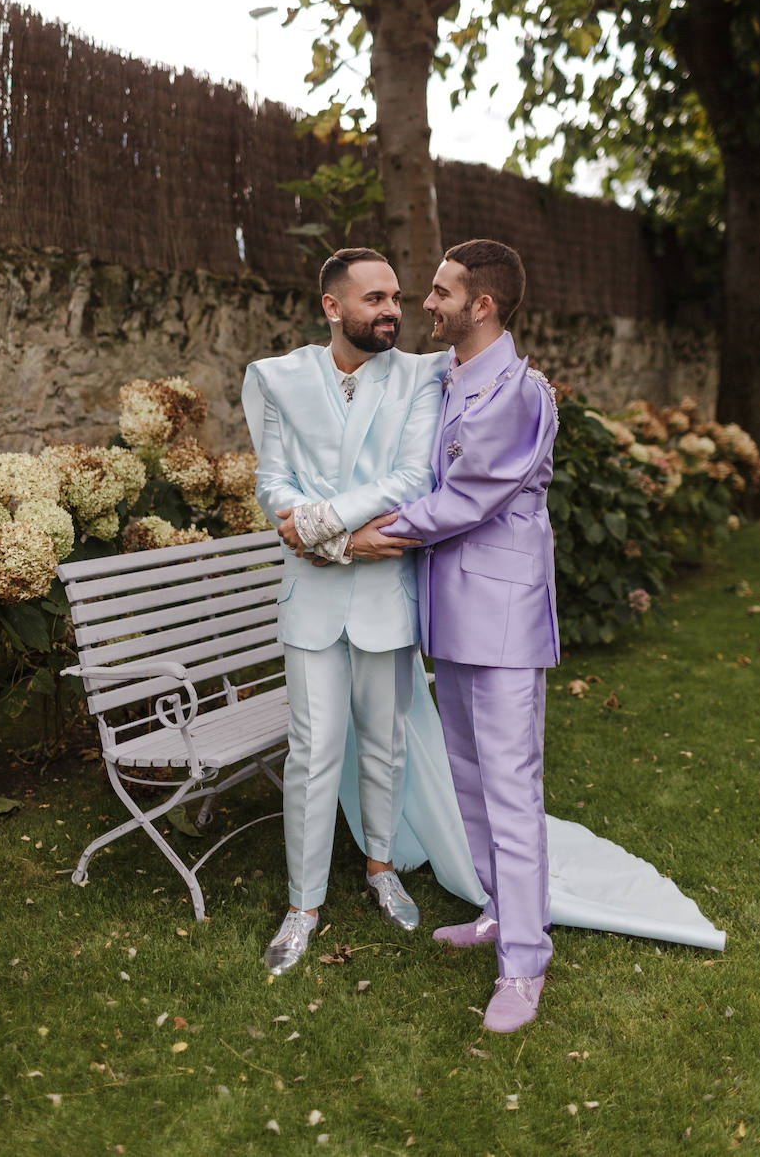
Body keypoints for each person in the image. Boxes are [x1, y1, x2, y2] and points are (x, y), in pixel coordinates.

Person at [352, 239, 560, 1032]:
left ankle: (525, 967)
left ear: (484, 305)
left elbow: (467, 499)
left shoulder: (518, 392)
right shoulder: (446, 376)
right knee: (471, 779)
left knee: (511, 789)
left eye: (440, 293)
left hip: (504, 619)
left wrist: (367, 531)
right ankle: (502, 912)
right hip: (453, 615)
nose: (424, 305)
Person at [240, 247, 446, 975]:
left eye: (396, 296)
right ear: (332, 306)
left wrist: (326, 529)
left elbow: (412, 475)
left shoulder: (423, 377)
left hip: (386, 595)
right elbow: (274, 485)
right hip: (314, 597)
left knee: (383, 745)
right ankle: (302, 906)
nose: (393, 309)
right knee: (312, 751)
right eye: (375, 298)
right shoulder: (274, 378)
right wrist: (340, 547)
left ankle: (381, 868)